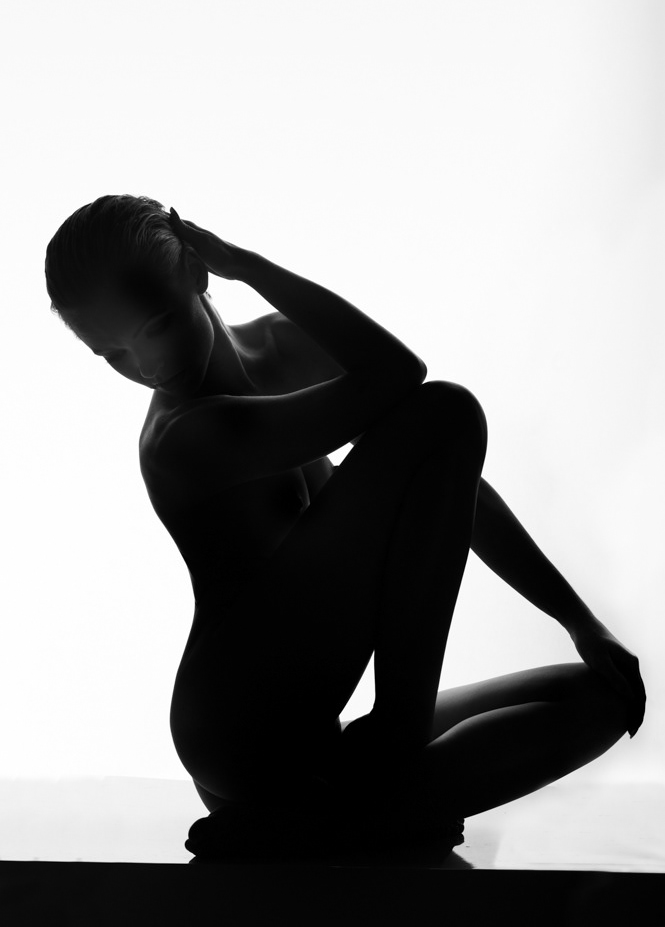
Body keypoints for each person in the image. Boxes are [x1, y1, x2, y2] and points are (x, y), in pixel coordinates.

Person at [45, 194, 646, 860]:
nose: (148, 366)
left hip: (315, 734)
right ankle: (390, 749)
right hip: (239, 735)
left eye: (156, 327)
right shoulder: (183, 438)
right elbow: (408, 384)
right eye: (113, 355)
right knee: (445, 411)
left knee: (602, 701)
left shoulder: (282, 348)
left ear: (196, 272)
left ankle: (331, 820)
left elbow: (448, 481)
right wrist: (251, 267)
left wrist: (577, 620)